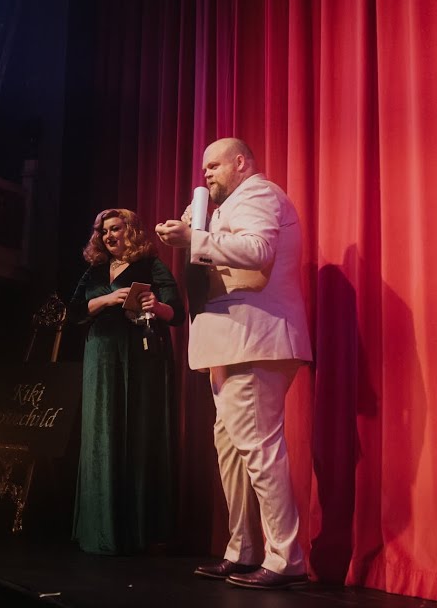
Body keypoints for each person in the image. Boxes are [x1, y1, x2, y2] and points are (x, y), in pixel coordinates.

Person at [156, 137, 313, 590]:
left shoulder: (259, 193)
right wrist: (192, 231)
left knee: (260, 450)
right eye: (203, 167)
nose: (205, 174)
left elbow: (259, 251)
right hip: (229, 343)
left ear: (242, 163)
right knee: (232, 451)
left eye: (215, 165)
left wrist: (197, 238)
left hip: (255, 337)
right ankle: (242, 549)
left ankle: (286, 558)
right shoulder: (221, 209)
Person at [67, 207, 185, 555]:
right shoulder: (96, 270)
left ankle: (140, 529)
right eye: (104, 232)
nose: (109, 236)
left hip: (141, 357)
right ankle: (101, 527)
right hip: (101, 357)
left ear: (130, 230)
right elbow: (73, 312)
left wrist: (156, 305)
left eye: (115, 229)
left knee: (137, 431)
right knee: (102, 431)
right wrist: (105, 299)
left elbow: (176, 311)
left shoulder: (151, 265)